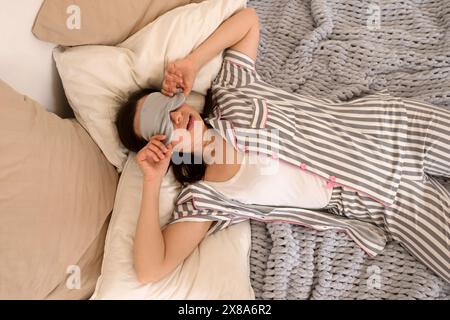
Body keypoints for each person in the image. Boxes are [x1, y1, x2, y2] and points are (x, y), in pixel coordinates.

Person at [115, 8, 450, 284]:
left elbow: (248, 20)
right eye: (161, 126)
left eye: (167, 105)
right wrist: (152, 180)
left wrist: (192, 62)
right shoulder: (207, 198)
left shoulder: (231, 94)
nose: (175, 118)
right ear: (162, 149)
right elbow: (150, 269)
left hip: (392, 128)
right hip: (389, 200)